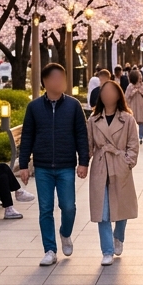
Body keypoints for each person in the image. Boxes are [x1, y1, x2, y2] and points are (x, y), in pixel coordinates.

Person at [19, 63, 90, 266]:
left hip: (66, 165)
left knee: (68, 207)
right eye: (57, 78)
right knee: (45, 209)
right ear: (46, 82)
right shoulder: (34, 108)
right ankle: (50, 249)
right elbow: (27, 137)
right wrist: (24, 164)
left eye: (63, 78)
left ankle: (65, 233)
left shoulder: (73, 106)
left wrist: (83, 161)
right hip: (42, 167)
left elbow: (81, 135)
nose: (61, 82)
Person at [87, 79, 140, 265]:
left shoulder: (127, 119)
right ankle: (107, 251)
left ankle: (119, 236)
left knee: (122, 209)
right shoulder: (93, 120)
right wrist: (83, 163)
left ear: (118, 95)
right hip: (100, 167)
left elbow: (133, 145)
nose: (107, 94)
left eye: (111, 91)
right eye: (104, 91)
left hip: (120, 166)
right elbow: (88, 146)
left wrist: (127, 162)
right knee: (103, 211)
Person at [125, 69, 143, 142]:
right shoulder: (130, 86)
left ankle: (140, 137)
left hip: (141, 106)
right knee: (132, 122)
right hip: (132, 106)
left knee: (141, 122)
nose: (140, 77)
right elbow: (126, 96)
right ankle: (132, 137)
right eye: (139, 76)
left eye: (140, 75)